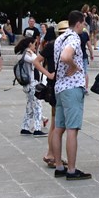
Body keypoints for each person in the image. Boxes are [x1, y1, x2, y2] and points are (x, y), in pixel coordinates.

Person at [51, 11, 91, 181]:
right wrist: (74, 66)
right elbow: (66, 56)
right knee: (72, 129)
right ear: (79, 23)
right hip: (72, 86)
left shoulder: (60, 38)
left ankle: (59, 165)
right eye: (83, 24)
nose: (84, 27)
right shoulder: (74, 38)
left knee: (58, 128)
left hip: (59, 87)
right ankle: (72, 170)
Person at [35, 26, 60, 170]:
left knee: (54, 123)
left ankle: (51, 153)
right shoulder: (53, 46)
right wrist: (49, 74)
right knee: (56, 123)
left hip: (53, 86)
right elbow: (36, 61)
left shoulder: (51, 45)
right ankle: (50, 154)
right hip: (54, 87)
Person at [16, 37, 47, 136]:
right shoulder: (28, 54)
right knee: (37, 106)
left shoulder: (22, 53)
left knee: (30, 106)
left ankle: (25, 127)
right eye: (34, 44)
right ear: (30, 44)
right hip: (32, 83)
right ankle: (37, 129)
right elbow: (37, 61)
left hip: (27, 84)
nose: (35, 46)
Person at [79, 25, 94, 92]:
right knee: (85, 72)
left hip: (76, 55)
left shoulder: (74, 34)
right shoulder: (85, 34)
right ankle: (86, 88)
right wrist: (91, 54)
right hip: (84, 55)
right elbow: (89, 46)